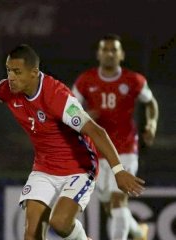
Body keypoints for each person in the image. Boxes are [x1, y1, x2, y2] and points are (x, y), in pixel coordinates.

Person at [0, 44, 146, 240]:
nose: (10, 77)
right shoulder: (7, 90)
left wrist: (118, 170)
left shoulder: (57, 97)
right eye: (8, 70)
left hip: (79, 167)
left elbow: (96, 131)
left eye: (17, 72)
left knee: (61, 223)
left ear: (34, 73)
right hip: (44, 167)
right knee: (31, 234)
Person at [72, 34, 159, 240]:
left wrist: (152, 124)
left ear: (121, 55)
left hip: (126, 150)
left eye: (114, 50)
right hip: (96, 150)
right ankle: (138, 232)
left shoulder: (133, 80)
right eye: (105, 50)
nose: (109, 53)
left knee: (118, 201)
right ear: (98, 54)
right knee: (111, 207)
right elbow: (69, 108)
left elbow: (151, 103)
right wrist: (82, 116)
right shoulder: (86, 80)